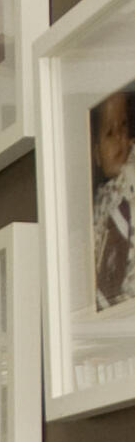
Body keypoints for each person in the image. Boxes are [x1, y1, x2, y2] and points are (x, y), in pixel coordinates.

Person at [91, 89, 135, 310]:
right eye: (109, 132)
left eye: (123, 125)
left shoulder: (130, 176)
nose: (119, 136)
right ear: (96, 154)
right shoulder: (99, 203)